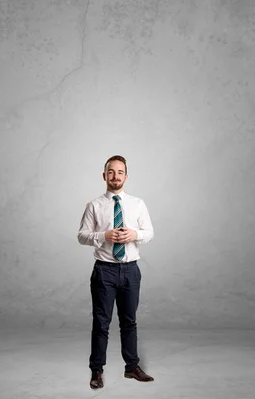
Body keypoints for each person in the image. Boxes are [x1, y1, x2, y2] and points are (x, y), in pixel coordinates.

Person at [77, 155, 155, 389]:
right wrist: (104, 236)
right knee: (101, 323)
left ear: (126, 176)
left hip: (130, 270)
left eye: (120, 172)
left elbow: (149, 232)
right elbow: (81, 236)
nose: (115, 176)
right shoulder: (94, 205)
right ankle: (96, 370)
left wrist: (135, 235)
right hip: (104, 271)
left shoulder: (137, 204)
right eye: (111, 172)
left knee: (129, 321)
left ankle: (131, 367)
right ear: (104, 176)